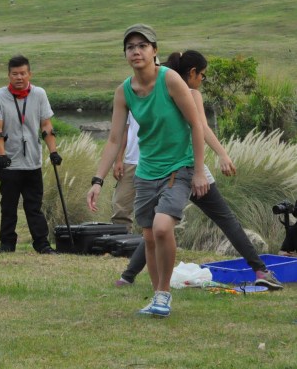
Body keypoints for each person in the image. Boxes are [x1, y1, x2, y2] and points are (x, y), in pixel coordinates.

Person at [113, 50, 283, 291]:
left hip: (168, 171)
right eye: (202, 74)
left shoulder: (162, 88)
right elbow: (201, 127)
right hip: (188, 170)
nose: (202, 80)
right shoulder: (190, 93)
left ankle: (128, 276)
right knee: (224, 220)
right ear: (192, 73)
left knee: (156, 228)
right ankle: (260, 270)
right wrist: (221, 155)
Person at [87, 24, 209, 318]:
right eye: (130, 47)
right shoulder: (124, 91)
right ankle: (157, 297)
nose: (136, 51)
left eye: (143, 45)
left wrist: (199, 171)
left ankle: (164, 293)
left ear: (155, 50)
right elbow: (114, 139)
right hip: (146, 171)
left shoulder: (171, 80)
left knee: (162, 227)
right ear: (125, 54)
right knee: (151, 238)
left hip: (178, 168)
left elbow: (196, 125)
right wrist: (97, 180)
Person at [0, 55, 62, 254]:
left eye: (23, 73)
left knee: (34, 206)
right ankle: (7, 244)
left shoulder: (39, 94)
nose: (19, 77)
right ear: (8, 75)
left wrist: (53, 151)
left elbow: (46, 125)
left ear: (29, 74)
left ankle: (42, 244)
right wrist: (1, 155)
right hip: (9, 161)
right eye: (15, 74)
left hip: (33, 161)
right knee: (8, 206)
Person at [110, 112, 139, 233]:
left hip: (159, 162)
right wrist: (118, 159)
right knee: (120, 206)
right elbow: (124, 130)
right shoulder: (129, 101)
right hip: (131, 161)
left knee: (159, 209)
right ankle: (122, 239)